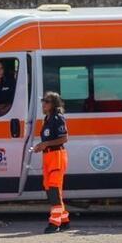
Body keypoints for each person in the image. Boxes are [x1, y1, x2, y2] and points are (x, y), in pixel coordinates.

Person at [34, 92, 69, 233]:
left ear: (53, 104)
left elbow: (64, 138)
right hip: (48, 156)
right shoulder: (47, 119)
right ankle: (64, 220)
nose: (44, 104)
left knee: (54, 189)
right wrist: (41, 146)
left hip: (57, 156)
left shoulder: (57, 118)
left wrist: (46, 143)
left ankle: (54, 223)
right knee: (50, 187)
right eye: (43, 101)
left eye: (47, 102)